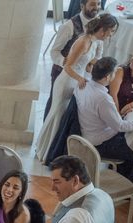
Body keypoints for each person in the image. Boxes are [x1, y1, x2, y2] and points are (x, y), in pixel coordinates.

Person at [35, 14, 117, 163]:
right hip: (67, 81)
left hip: (75, 81)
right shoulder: (83, 42)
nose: (111, 35)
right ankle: (44, 151)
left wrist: (90, 68)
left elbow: (87, 62)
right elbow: (67, 66)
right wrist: (80, 78)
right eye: (111, 31)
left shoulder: (93, 41)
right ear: (103, 30)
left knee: (62, 117)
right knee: (57, 115)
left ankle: (51, 150)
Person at [76, 56, 133, 191]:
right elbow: (120, 126)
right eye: (115, 72)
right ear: (108, 77)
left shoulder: (83, 85)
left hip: (89, 135)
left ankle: (125, 178)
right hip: (102, 144)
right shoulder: (103, 98)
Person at [45, 0, 101, 119]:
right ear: (82, 6)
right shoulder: (69, 26)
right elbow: (54, 51)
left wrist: (90, 63)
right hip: (62, 72)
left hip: (82, 75)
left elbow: (99, 52)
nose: (96, 7)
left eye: (99, 4)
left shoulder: (99, 26)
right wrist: (69, 64)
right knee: (54, 107)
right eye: (92, 4)